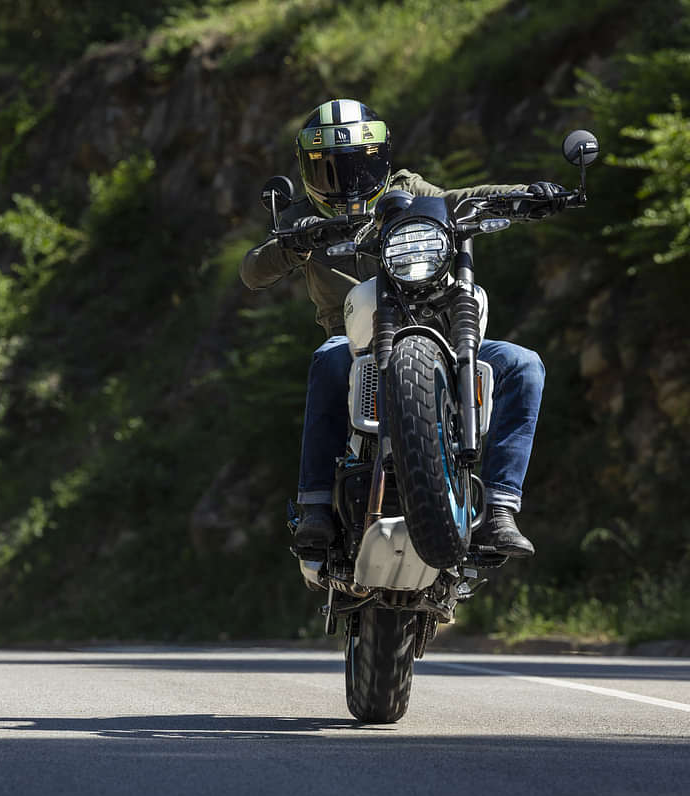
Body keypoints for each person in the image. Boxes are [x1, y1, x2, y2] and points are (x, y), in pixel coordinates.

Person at [241, 99, 567, 561]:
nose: (346, 182)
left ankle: (499, 507)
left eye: (358, 166)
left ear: (381, 158)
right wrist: (293, 246)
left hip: (434, 325)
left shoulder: (408, 189)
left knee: (523, 365)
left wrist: (526, 193)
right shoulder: (299, 218)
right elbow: (253, 271)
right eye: (329, 170)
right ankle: (314, 503)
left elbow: (460, 199)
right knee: (329, 356)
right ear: (307, 169)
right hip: (353, 339)